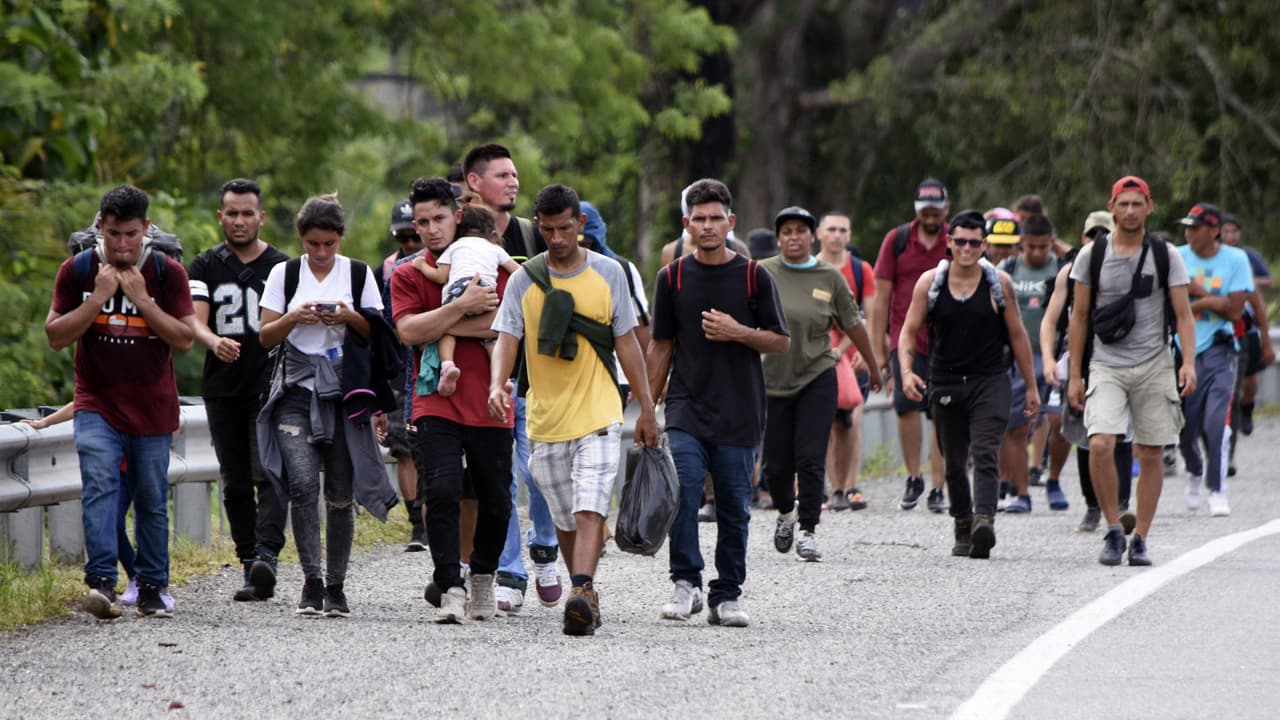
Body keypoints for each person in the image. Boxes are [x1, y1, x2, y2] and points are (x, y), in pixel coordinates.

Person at [488, 184, 659, 637]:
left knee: (590, 507)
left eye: (565, 228)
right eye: (547, 230)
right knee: (565, 518)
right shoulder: (525, 277)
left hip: (601, 410)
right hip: (545, 416)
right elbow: (507, 335)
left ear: (580, 225)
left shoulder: (610, 273)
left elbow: (626, 340)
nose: (557, 238)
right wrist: (497, 383)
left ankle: (580, 589)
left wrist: (645, 408)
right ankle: (585, 594)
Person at [45, 184, 196, 619]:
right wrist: (96, 298)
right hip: (97, 402)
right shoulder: (77, 270)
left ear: (146, 229)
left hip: (152, 406)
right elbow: (55, 336)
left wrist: (143, 300)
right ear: (101, 229)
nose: (123, 244)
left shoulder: (168, 273)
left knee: (150, 497)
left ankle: (152, 585)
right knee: (99, 485)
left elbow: (185, 339)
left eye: (131, 234)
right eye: (114, 234)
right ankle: (101, 582)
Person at [647, 179, 790, 628]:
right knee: (684, 490)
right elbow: (660, 347)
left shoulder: (753, 275)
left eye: (716, 219)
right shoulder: (671, 278)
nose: (707, 226)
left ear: (731, 222)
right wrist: (647, 409)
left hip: (740, 409)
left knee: (733, 506)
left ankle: (726, 595)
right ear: (686, 223)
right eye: (699, 219)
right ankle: (685, 582)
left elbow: (781, 341)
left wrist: (738, 332)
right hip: (686, 406)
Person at [258, 194, 397, 617]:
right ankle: (311, 580)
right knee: (302, 484)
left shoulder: (356, 274)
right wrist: (293, 318)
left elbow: (378, 332)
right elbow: (265, 336)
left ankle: (336, 585)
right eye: (313, 244)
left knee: (339, 492)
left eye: (329, 244)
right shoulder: (284, 274)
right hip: (296, 391)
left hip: (343, 392)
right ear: (301, 238)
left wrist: (347, 317)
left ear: (340, 239)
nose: (321, 253)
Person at [391, 176, 513, 624]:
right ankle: (451, 586)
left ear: (458, 216)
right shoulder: (407, 272)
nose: (430, 229)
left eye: (439, 218)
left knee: (496, 498)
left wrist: (439, 324)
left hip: (492, 397)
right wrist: (461, 309)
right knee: (440, 492)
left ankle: (483, 577)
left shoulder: (489, 261)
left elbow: (507, 326)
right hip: (435, 399)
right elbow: (408, 333)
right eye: (421, 222)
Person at [1067, 176, 1196, 567]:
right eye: (1123, 204)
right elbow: (1080, 317)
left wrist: (1188, 361)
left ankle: (1140, 536)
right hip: (1106, 363)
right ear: (1112, 207)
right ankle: (1111, 527)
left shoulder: (1165, 254)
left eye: (1137, 204)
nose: (1129, 211)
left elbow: (1183, 313)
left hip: (1154, 362)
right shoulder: (1092, 255)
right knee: (1101, 442)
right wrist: (1075, 373)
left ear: (1148, 207)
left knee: (1150, 451)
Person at [898, 209, 1040, 559]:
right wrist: (905, 371)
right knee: (954, 461)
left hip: (989, 380)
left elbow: (1019, 336)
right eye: (960, 241)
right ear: (949, 242)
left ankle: (984, 520)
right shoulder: (930, 283)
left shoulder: (998, 285)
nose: (966, 248)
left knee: (985, 450)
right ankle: (962, 521)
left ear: (984, 245)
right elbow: (908, 332)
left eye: (974, 242)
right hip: (945, 380)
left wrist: (1032, 386)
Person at [188, 178, 290, 601]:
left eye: (248, 213)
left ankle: (268, 553)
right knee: (234, 481)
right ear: (220, 217)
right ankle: (249, 561)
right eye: (232, 213)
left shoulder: (283, 266)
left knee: (268, 473)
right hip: (223, 386)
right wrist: (213, 340)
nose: (240, 221)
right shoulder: (204, 265)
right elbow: (193, 319)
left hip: (271, 386)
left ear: (261, 217)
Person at [761, 207, 881, 562]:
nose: (794, 237)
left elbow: (853, 324)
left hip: (817, 375)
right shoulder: (762, 273)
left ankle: (808, 530)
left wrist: (874, 367)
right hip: (773, 380)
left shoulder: (829, 276)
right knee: (776, 465)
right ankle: (786, 514)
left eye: (801, 231)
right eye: (787, 231)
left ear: (811, 237)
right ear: (779, 238)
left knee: (810, 457)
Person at [22, 403, 174, 611]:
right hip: (116, 471)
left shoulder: (147, 388)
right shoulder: (104, 396)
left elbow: (170, 417)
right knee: (113, 521)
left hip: (139, 464)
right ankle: (133, 577)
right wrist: (45, 422)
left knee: (152, 511)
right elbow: (80, 403)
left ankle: (155, 585)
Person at [1040, 211, 1135, 533]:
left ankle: (1121, 505)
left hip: (1121, 359)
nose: (1096, 242)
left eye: (1103, 235)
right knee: (1085, 436)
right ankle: (1093, 506)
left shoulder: (1129, 267)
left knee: (1119, 435)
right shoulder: (1070, 271)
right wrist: (1050, 359)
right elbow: (1052, 318)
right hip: (1081, 361)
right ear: (1082, 239)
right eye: (1091, 235)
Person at [869, 179, 949, 512]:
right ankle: (914, 476)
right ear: (917, 210)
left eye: (936, 209)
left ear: (946, 209)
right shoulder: (898, 240)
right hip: (906, 339)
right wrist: (877, 349)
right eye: (924, 210)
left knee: (942, 413)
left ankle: (938, 486)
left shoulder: (955, 239)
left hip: (946, 341)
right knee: (906, 406)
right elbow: (880, 296)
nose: (930, 215)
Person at [1175, 203, 1251, 516]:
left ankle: (1217, 489)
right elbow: (1170, 302)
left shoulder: (1236, 259)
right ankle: (1194, 470)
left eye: (1196, 227)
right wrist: (1210, 301)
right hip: (1182, 351)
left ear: (1214, 231)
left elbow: (1234, 309)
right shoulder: (1177, 256)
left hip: (1220, 349)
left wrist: (1195, 300)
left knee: (1215, 422)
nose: (1188, 233)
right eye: (1187, 227)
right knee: (1185, 427)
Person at [410, 204, 521, 396]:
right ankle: (502, 380)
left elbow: (440, 276)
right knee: (490, 339)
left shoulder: (455, 246)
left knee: (448, 325)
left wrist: (421, 266)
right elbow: (519, 272)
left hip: (461, 288)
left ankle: (447, 366)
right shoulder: (495, 249)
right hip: (486, 291)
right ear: (490, 230)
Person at [996, 213, 1060, 514]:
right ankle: (1021, 492)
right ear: (1021, 244)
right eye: (1031, 246)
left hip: (1056, 357)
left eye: (1043, 247)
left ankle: (1054, 479)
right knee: (1017, 427)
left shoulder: (1062, 269)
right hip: (1019, 361)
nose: (1037, 253)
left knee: (1060, 421)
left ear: (1051, 243)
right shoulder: (1008, 270)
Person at [815, 211, 877, 511]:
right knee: (822, 423)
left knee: (851, 422)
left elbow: (869, 317)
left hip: (853, 358)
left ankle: (850, 486)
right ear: (819, 233)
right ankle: (829, 486)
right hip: (818, 355)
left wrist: (869, 355)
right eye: (832, 229)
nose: (837, 235)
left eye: (843, 230)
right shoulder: (809, 268)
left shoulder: (861, 269)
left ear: (849, 236)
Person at [375, 198, 427, 551]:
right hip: (399, 371)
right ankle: (416, 523)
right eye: (403, 237)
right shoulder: (387, 269)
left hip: (433, 365)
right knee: (404, 450)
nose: (410, 243)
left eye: (415, 235)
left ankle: (436, 514)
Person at [1221, 214, 1274, 460]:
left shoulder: (1246, 257)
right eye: (1226, 231)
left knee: (1250, 381)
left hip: (1247, 327)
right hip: (1220, 331)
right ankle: (1223, 450)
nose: (1230, 236)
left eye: (1234, 232)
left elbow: (1267, 282)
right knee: (1227, 390)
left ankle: (1248, 406)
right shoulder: (1211, 258)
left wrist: (1248, 281)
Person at [463, 143, 546, 260]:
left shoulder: (530, 233)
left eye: (514, 175)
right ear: (474, 181)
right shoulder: (453, 231)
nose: (513, 183)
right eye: (502, 176)